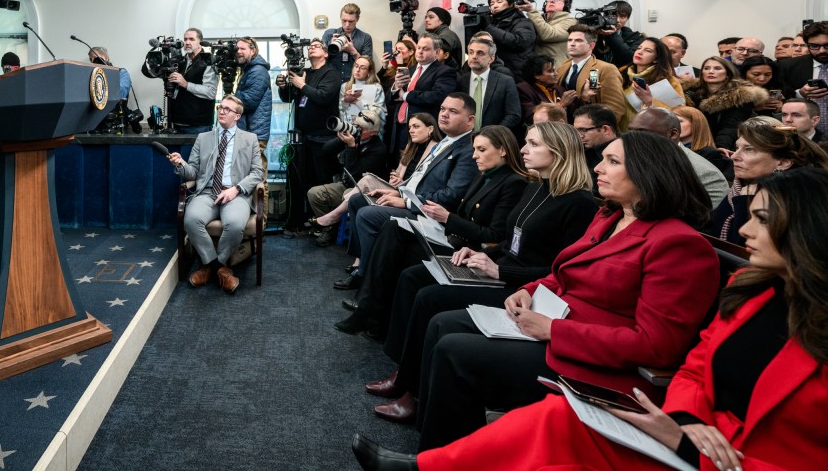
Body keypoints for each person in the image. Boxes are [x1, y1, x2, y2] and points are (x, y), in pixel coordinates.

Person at [352, 167, 828, 471]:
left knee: (455, 342)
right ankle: (431, 463)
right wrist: (684, 419)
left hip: (722, 449)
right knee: (540, 406)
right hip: (691, 426)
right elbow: (696, 365)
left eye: (762, 219)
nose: (744, 229)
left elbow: (662, 348)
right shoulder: (755, 293)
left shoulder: (679, 243)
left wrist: (685, 440)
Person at [405, 130, 719, 450]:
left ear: (649, 173)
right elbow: (565, 273)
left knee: (456, 351)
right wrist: (528, 289)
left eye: (612, 161)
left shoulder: (679, 244)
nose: (597, 167)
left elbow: (657, 346)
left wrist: (554, 330)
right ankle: (440, 443)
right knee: (444, 323)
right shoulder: (609, 216)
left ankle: (441, 456)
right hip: (555, 325)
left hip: (595, 365)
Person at [367, 122, 597, 426]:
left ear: (558, 152)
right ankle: (407, 378)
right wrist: (481, 254)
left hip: (523, 290)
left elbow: (561, 271)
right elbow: (510, 241)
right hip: (505, 272)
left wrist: (499, 268)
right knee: (417, 278)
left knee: (430, 299)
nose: (524, 149)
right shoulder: (536, 186)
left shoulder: (579, 203)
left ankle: (414, 392)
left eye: (533, 144)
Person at [335, 125, 529, 339]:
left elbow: (494, 236)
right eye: (474, 149)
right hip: (452, 236)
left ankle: (371, 312)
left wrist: (448, 218)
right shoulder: (485, 175)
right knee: (393, 229)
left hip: (466, 248)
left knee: (396, 246)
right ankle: (371, 312)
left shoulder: (513, 183)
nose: (474, 156)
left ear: (502, 150)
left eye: (482, 150)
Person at [339, 94, 477, 290]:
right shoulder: (445, 142)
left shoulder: (468, 150)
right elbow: (418, 180)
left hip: (428, 214)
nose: (444, 114)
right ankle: (361, 264)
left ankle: (367, 280)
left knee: (368, 214)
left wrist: (407, 202)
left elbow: (451, 196)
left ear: (470, 120)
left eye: (453, 111)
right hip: (410, 198)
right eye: (443, 109)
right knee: (358, 201)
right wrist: (399, 192)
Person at [167, 94, 263, 294]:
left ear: (237, 116)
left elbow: (257, 173)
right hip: (208, 191)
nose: (221, 111)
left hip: (235, 193)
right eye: (220, 107)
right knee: (191, 219)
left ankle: (209, 267)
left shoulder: (250, 139)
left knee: (236, 224)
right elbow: (193, 171)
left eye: (227, 109)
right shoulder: (204, 138)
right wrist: (181, 164)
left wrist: (236, 189)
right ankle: (219, 268)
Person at [704, 116, 828, 246]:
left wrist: (745, 200)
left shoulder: (797, 203)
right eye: (737, 147)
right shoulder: (739, 188)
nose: (734, 156)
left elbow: (743, 249)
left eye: (749, 149)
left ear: (783, 162)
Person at [277, 38, 342, 233]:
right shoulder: (304, 72)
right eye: (311, 46)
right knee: (303, 182)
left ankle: (325, 226)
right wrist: (284, 87)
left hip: (323, 138)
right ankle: (305, 221)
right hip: (302, 137)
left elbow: (323, 97)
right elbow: (290, 99)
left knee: (321, 183)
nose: (312, 48)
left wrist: (301, 85)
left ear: (326, 53)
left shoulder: (331, 73)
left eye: (317, 46)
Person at [306, 107, 389, 247]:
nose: (356, 129)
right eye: (356, 125)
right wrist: (342, 139)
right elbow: (325, 150)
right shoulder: (354, 137)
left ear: (373, 132)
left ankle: (330, 228)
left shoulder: (378, 149)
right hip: (345, 185)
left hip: (363, 190)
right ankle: (331, 228)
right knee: (314, 193)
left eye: (361, 128)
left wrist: (351, 147)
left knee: (347, 195)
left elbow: (355, 174)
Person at [628, 108, 728, 206]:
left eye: (642, 132)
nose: (631, 137)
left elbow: (703, 219)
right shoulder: (625, 158)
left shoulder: (707, 176)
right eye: (630, 131)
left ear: (672, 134)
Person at [682, 56, 767, 150]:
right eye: (706, 68)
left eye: (717, 68)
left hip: (719, 145)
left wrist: (721, 147)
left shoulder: (739, 97)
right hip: (689, 144)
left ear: (728, 74)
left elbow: (730, 127)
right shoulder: (690, 93)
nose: (711, 71)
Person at [390, 35, 456, 151]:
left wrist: (405, 95)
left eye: (425, 49)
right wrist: (395, 87)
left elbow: (437, 97)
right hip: (400, 127)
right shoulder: (409, 69)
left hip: (424, 132)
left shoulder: (445, 72)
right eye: (419, 48)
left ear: (437, 52)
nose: (420, 51)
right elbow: (391, 98)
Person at [555, 25, 628, 121]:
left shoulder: (606, 69)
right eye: (570, 40)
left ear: (591, 45)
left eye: (578, 40)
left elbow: (615, 108)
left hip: (591, 126)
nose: (572, 44)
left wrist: (596, 128)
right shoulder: (563, 66)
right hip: (564, 125)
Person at [618, 35, 686, 130]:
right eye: (639, 48)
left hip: (652, 135)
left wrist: (649, 101)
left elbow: (680, 113)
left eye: (648, 51)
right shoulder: (622, 74)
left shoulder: (668, 80)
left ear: (656, 59)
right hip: (622, 132)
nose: (640, 52)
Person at [454, 37, 520, 131]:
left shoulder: (505, 81)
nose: (474, 56)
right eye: (471, 52)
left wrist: (492, 134)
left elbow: (514, 115)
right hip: (465, 138)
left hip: (493, 139)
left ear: (491, 58)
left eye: (480, 53)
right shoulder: (460, 81)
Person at [233, 37, 271, 187]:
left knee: (258, 182)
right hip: (249, 130)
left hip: (255, 133)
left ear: (253, 50)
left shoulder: (258, 71)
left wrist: (231, 98)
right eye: (237, 49)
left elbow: (249, 101)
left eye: (243, 49)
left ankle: (261, 212)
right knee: (249, 180)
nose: (239, 52)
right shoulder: (248, 69)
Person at [471, 0, 536, 76]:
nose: (495, 6)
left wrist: (489, 28)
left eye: (499, 2)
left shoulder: (522, 21)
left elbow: (520, 42)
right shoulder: (492, 23)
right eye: (492, 4)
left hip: (517, 72)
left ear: (511, 4)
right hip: (495, 70)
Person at [165, 28, 217, 134]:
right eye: (185, 39)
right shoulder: (180, 61)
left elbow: (210, 92)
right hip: (177, 123)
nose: (187, 43)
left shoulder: (208, 61)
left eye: (192, 39)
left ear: (200, 42)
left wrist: (186, 84)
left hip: (198, 126)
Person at [777, 22, 828, 125]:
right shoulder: (787, 66)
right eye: (814, 46)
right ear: (807, 45)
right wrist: (800, 94)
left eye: (827, 46)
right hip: (800, 132)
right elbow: (778, 98)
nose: (822, 51)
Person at [520, 0, 577, 67]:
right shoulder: (539, 19)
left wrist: (531, 11)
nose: (552, 1)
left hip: (556, 71)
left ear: (566, 5)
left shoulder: (570, 21)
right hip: (536, 70)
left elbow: (549, 35)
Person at [322, 2, 373, 79]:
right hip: (331, 80)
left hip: (353, 81)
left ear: (357, 19)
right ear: (340, 17)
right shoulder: (329, 34)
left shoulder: (365, 38)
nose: (347, 24)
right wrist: (331, 47)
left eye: (351, 21)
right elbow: (320, 61)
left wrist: (353, 51)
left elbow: (368, 66)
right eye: (344, 20)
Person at [340, 54, 386, 130]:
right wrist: (346, 100)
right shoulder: (345, 86)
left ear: (369, 72)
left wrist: (357, 101)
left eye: (362, 68)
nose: (357, 70)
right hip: (350, 127)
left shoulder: (376, 87)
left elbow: (380, 113)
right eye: (356, 66)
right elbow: (341, 110)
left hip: (368, 129)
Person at [572, 103, 617, 181]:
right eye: (576, 131)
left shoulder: (627, 154)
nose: (579, 136)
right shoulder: (581, 153)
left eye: (584, 130)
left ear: (605, 129)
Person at [514, 54, 558, 131]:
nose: (556, 74)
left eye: (555, 70)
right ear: (536, 75)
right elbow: (531, 117)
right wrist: (560, 105)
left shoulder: (559, 89)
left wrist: (584, 98)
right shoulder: (523, 89)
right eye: (551, 71)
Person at [593, 0, 643, 67]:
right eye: (614, 16)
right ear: (605, 16)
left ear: (627, 19)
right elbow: (591, 59)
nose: (617, 20)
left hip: (619, 75)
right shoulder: (596, 33)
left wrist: (612, 35)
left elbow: (630, 58)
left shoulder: (635, 37)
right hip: (595, 73)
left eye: (622, 17)